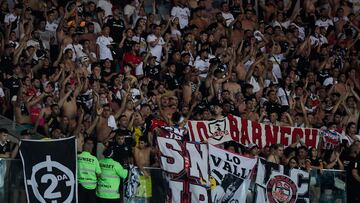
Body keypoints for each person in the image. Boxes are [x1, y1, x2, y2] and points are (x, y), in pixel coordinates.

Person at [78, 137, 101, 203]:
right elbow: (99, 174)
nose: (90, 146)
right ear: (83, 144)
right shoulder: (94, 159)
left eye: (91, 144)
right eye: (88, 144)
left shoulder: (77, 157)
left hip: (80, 186)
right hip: (92, 187)